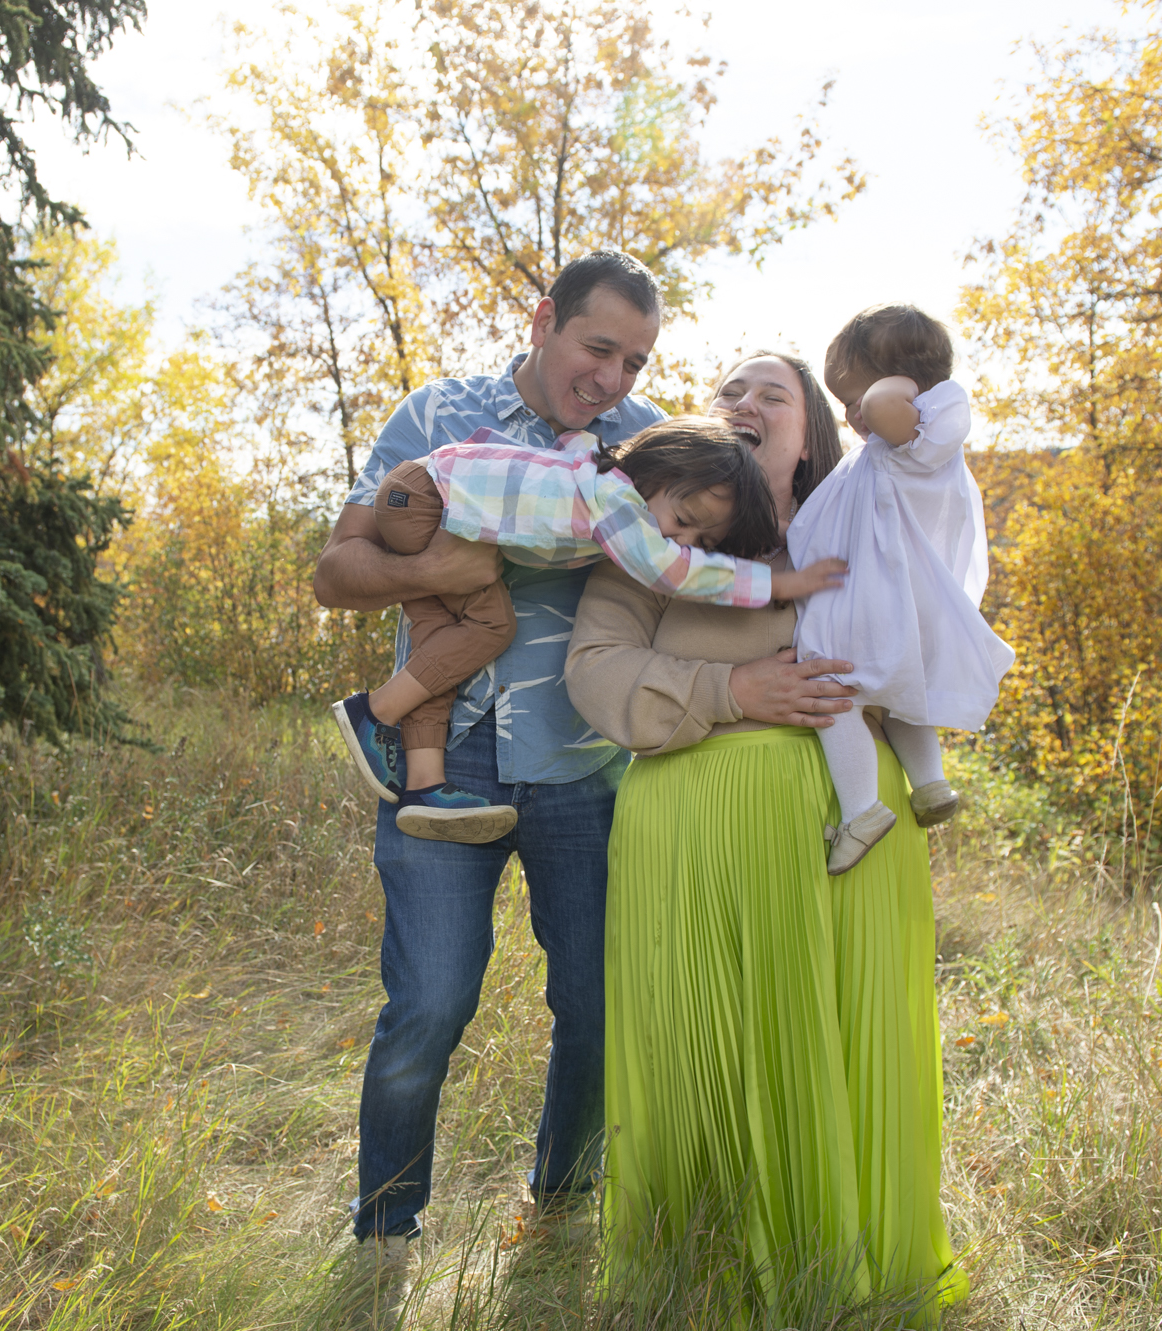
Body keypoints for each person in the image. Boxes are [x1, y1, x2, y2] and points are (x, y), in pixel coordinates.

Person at [311, 256, 857, 1287]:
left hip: (590, 762)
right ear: (542, 320)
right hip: (445, 761)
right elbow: (335, 566)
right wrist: (455, 567)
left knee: (599, 1005)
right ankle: (384, 1231)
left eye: (634, 358)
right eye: (596, 347)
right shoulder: (439, 414)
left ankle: (558, 1208)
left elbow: (725, 547)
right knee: (428, 1000)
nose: (610, 377)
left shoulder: (648, 441)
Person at [566, 351, 968, 1323]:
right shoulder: (655, 531)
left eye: (769, 392)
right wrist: (732, 689)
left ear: (809, 428)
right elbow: (596, 669)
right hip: (694, 826)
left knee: (847, 1027)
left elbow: (934, 565)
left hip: (854, 830)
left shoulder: (870, 517)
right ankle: (696, 1264)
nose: (742, 402)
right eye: (727, 390)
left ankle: (859, 1265)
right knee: (703, 1040)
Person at [332, 417, 848, 844]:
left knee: (441, 638)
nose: (681, 538)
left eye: (700, 536)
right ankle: (373, 712)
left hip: (420, 490)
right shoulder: (618, 503)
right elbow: (668, 569)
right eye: (684, 517)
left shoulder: (593, 466)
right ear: (655, 470)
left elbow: (564, 448)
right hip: (427, 500)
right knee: (490, 627)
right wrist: (778, 580)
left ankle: (424, 785)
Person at [787, 305, 1016, 873]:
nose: (852, 416)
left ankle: (862, 809)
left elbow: (889, 402)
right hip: (901, 601)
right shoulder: (901, 443)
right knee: (902, 693)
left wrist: (893, 384)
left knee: (830, 682)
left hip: (882, 598)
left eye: (854, 398)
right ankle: (930, 784)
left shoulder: (927, 430)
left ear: (904, 381)